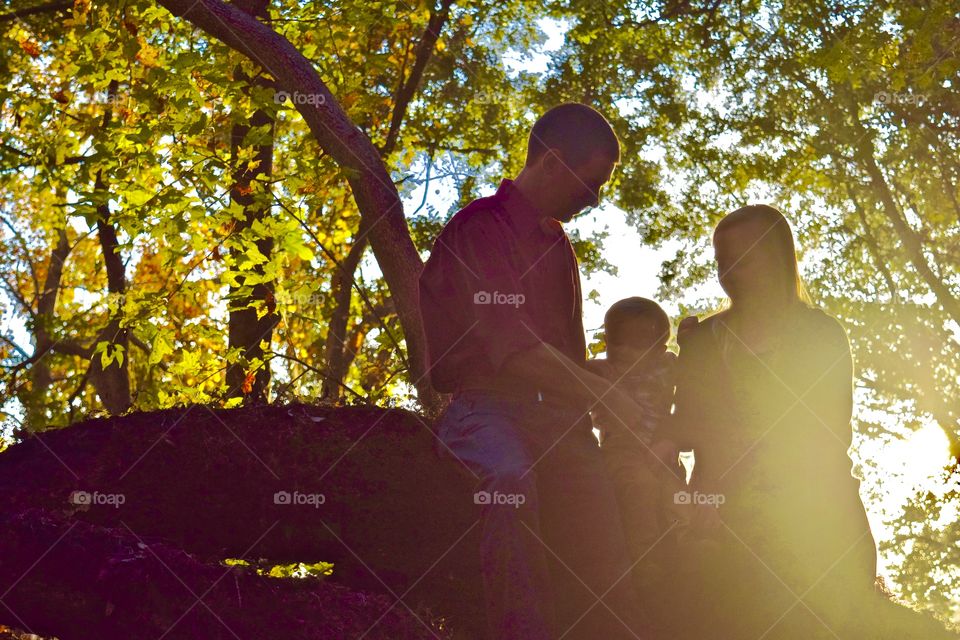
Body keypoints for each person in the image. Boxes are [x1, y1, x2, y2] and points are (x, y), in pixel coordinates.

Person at [662, 204, 954, 639]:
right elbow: (685, 430)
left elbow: (831, 431)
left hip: (818, 516)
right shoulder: (702, 339)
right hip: (725, 523)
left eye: (744, 257)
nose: (731, 271)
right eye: (722, 261)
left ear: (779, 259)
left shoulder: (821, 334)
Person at [418, 103, 649, 640]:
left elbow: (562, 360)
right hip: (483, 410)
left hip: (557, 420)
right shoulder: (479, 228)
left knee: (603, 520)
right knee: (508, 481)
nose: (595, 199)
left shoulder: (558, 245)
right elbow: (513, 349)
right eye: (592, 184)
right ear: (551, 161)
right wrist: (605, 396)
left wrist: (626, 381)